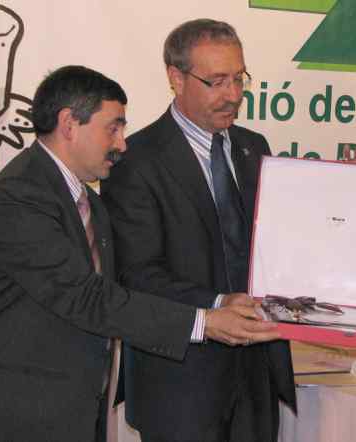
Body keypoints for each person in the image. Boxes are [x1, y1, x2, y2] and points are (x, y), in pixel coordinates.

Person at [0, 65, 279, 442]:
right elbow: (88, 298)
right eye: (113, 128)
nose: (122, 144)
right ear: (69, 124)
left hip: (74, 412)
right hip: (15, 418)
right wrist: (205, 322)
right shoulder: (18, 199)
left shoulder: (89, 203)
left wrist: (218, 304)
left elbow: (120, 291)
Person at [101, 19, 296, 442]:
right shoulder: (136, 160)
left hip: (256, 377)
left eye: (239, 79)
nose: (233, 95)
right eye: (217, 81)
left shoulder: (254, 147)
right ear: (176, 78)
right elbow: (136, 274)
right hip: (180, 382)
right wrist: (218, 304)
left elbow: (278, 242)